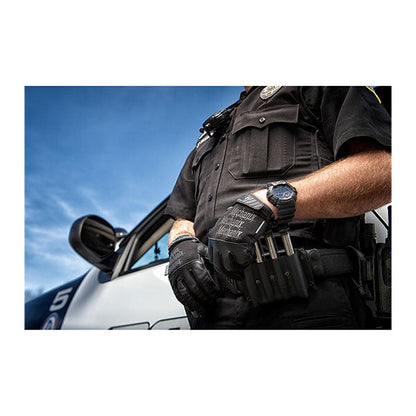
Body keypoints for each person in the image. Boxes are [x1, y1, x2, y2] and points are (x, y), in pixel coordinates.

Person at [165, 86, 391, 329]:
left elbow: (382, 171)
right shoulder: (211, 133)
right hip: (214, 314)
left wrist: (269, 203)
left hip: (305, 302)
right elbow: (182, 217)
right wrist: (180, 243)